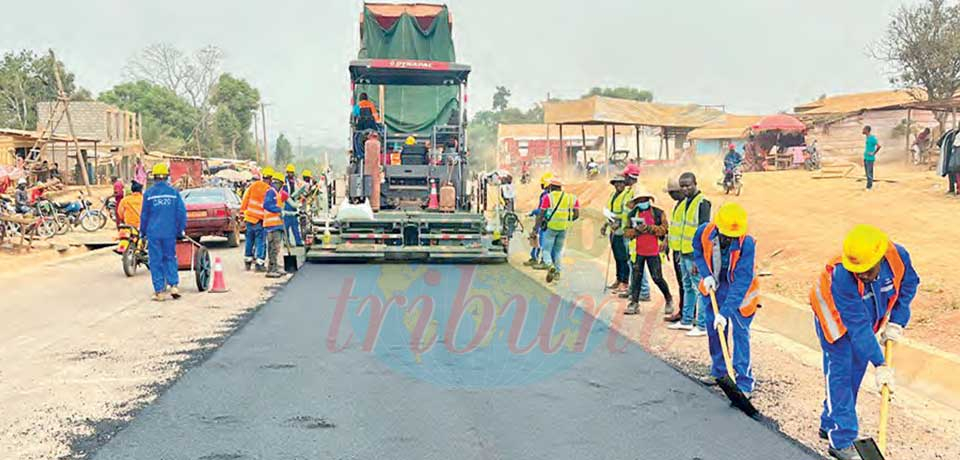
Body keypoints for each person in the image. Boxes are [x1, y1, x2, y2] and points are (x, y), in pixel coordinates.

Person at [809, 225, 919, 460]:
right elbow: (857, 326)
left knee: (855, 371)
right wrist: (880, 365)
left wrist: (897, 322)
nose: (862, 275)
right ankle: (841, 440)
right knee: (841, 372)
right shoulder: (842, 276)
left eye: (867, 271)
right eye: (858, 271)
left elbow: (909, 286)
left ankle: (829, 423)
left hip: (864, 315)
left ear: (879, 258)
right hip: (833, 314)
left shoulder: (898, 257)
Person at [692, 202, 760, 393]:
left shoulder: (746, 242)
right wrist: (705, 274)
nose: (730, 239)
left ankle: (744, 381)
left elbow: (742, 280)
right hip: (715, 286)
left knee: (740, 334)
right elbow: (697, 251)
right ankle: (720, 372)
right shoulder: (704, 232)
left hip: (741, 293)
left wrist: (726, 311)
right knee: (715, 330)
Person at [667, 172, 712, 337]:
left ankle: (702, 325)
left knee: (700, 289)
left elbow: (704, 233)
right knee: (687, 287)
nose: (685, 189)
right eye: (683, 186)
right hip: (683, 252)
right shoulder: (684, 203)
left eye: (688, 185)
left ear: (696, 183)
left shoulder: (702, 203)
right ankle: (686, 320)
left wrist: (698, 259)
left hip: (694, 255)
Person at [139, 163, 187, 302]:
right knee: (170, 258)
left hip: (153, 233)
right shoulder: (174, 193)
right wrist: (179, 230)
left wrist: (142, 232)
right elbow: (181, 214)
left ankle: (159, 292)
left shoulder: (149, 194)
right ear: (167, 177)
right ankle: (174, 286)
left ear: (154, 177)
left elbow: (144, 216)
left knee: (155, 261)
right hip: (169, 233)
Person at [623, 188, 673, 315]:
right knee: (636, 278)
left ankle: (668, 299)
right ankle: (634, 303)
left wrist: (650, 228)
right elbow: (626, 232)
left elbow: (664, 229)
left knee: (657, 277)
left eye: (644, 199)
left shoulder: (658, 213)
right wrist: (636, 231)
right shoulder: (632, 215)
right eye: (639, 200)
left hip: (654, 251)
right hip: (638, 251)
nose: (642, 202)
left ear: (649, 200)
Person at [531, 177, 579, 283]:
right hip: (563, 228)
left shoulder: (548, 198)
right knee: (558, 251)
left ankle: (549, 265)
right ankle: (557, 272)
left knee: (546, 250)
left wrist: (535, 228)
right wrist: (566, 220)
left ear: (551, 187)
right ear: (560, 187)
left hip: (551, 228)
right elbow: (576, 215)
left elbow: (541, 214)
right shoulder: (571, 198)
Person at [621, 164, 651, 301]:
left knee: (636, 262)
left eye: (625, 177)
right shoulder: (630, 190)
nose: (623, 179)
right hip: (628, 230)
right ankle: (634, 289)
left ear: (629, 176)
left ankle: (643, 291)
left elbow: (640, 213)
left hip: (635, 232)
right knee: (631, 262)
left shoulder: (638, 191)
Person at [601, 174, 634, 293]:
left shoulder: (626, 196)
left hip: (621, 230)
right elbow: (609, 212)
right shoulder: (613, 195)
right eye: (616, 183)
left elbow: (626, 214)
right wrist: (606, 224)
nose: (618, 185)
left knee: (623, 257)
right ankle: (618, 279)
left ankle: (625, 282)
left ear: (625, 184)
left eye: (621, 182)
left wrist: (619, 222)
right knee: (617, 257)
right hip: (613, 230)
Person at [240, 167, 272, 271]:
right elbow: (269, 206)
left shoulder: (253, 186)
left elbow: (245, 200)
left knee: (249, 240)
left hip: (249, 218)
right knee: (260, 241)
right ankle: (259, 264)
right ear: (270, 178)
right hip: (260, 219)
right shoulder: (268, 189)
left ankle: (248, 262)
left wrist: (242, 215)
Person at [663, 178, 685, 322]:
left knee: (686, 285)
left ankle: (686, 313)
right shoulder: (678, 205)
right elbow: (675, 228)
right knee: (682, 283)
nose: (671, 196)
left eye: (672, 193)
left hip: (685, 252)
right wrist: (668, 242)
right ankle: (684, 311)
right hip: (677, 250)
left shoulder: (687, 205)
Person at [524, 172, 554, 268]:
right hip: (553, 222)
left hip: (544, 221)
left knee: (539, 241)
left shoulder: (545, 195)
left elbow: (542, 210)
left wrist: (533, 212)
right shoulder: (555, 195)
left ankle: (537, 259)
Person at [263, 171, 287, 278]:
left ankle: (275, 266)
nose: (282, 187)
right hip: (271, 226)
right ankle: (271, 269)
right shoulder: (271, 192)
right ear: (278, 183)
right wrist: (278, 210)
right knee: (273, 247)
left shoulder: (276, 193)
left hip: (277, 224)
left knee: (276, 247)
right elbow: (267, 205)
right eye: (281, 184)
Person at [280, 166, 303, 247]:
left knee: (295, 225)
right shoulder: (284, 182)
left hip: (294, 203)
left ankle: (298, 242)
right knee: (286, 225)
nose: (290, 174)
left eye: (292, 172)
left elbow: (299, 189)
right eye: (289, 172)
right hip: (286, 204)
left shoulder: (296, 181)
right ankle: (287, 241)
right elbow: (283, 192)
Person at [365, 131, 382, 211]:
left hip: (370, 169)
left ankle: (372, 205)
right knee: (375, 184)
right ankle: (375, 205)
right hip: (375, 170)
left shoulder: (368, 143)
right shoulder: (377, 144)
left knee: (371, 183)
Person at [862, 126, 881, 190]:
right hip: (866, 157)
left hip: (870, 158)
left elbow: (879, 146)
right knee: (867, 173)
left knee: (869, 173)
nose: (862, 130)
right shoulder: (867, 137)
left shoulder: (872, 138)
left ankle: (869, 187)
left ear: (867, 130)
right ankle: (869, 185)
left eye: (864, 129)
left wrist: (873, 153)